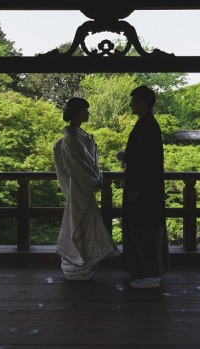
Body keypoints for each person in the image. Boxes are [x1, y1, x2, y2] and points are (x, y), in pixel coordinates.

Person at [53, 97, 120, 280]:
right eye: (84, 110)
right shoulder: (70, 139)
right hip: (78, 190)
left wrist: (96, 178)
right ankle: (75, 265)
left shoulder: (80, 135)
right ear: (75, 113)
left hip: (84, 189)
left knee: (84, 226)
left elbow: (86, 164)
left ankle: (83, 264)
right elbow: (76, 167)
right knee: (77, 225)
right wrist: (95, 181)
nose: (87, 113)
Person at [118, 85, 170, 288]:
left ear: (142, 102)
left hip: (143, 190)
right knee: (142, 229)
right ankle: (146, 272)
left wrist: (135, 189)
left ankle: (150, 275)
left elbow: (146, 162)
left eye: (133, 101)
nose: (131, 104)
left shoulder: (148, 126)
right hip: (146, 188)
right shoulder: (147, 124)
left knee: (144, 229)